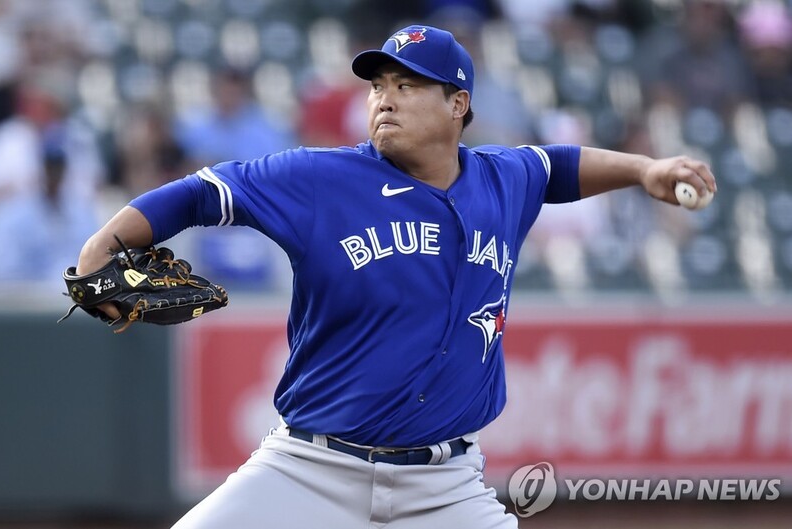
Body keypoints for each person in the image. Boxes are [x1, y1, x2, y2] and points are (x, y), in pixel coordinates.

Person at [72, 24, 716, 529]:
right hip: (310, 467)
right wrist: (108, 241)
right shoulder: (320, 179)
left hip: (446, 489)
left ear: (457, 103)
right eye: (378, 84)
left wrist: (643, 171)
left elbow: (560, 168)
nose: (385, 98)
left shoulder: (503, 177)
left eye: (407, 85)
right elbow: (198, 194)